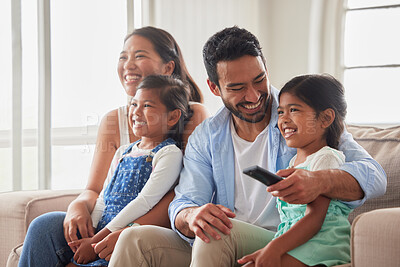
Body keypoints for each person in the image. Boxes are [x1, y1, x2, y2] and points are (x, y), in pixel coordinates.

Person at [108, 26, 386, 266]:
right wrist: (192, 216)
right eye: (237, 87)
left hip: (283, 237)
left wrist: (319, 181)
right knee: (135, 239)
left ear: (266, 67)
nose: (254, 96)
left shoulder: (304, 116)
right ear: (215, 88)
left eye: (259, 80)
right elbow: (185, 201)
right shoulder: (206, 137)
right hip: (223, 242)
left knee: (217, 235)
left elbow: (373, 175)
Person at [18, 27, 209, 267]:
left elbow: (180, 193)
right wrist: (78, 207)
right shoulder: (113, 121)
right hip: (107, 223)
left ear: (168, 67)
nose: (128, 64)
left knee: (127, 242)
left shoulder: (193, 114)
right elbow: (96, 190)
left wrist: (120, 232)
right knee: (44, 226)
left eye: (139, 56)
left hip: (154, 227)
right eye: (123, 57)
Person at [66, 75, 190, 266]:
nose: (136, 112)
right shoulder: (124, 152)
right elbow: (103, 198)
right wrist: (91, 231)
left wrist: (98, 240)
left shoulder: (168, 154)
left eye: (147, 106)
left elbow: (145, 201)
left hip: (120, 239)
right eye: (134, 104)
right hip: (101, 235)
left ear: (173, 117)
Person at [238, 74, 352, 266]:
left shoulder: (326, 158)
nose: (283, 119)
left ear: (325, 118)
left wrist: (274, 249)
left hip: (322, 244)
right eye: (281, 112)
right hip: (298, 241)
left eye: (294, 110)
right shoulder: (293, 163)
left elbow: (314, 218)